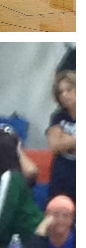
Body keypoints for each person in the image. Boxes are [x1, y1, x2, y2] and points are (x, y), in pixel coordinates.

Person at [46, 71, 75, 202]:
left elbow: (61, 143)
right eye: (60, 92)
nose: (64, 95)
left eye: (69, 90)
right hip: (63, 175)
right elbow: (54, 145)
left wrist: (66, 139)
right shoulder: (58, 117)